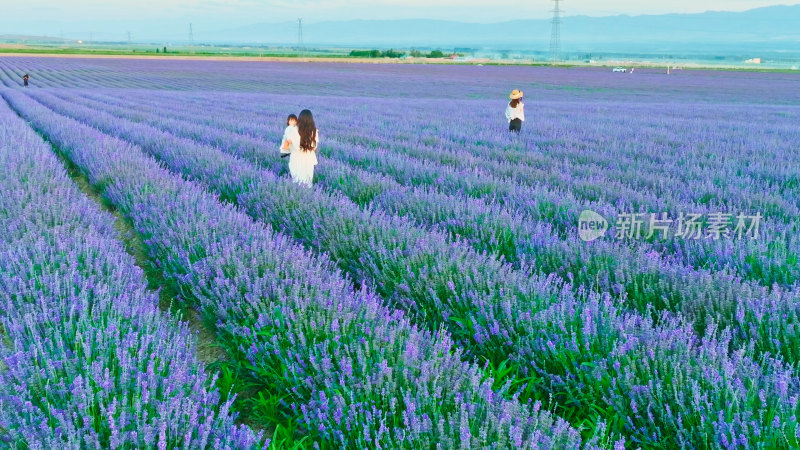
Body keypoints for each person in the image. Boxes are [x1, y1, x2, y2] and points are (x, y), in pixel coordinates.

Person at [285, 109, 319, 187]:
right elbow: (314, 147)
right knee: (308, 182)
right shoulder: (314, 131)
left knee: (296, 181)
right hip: (309, 159)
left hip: (296, 158)